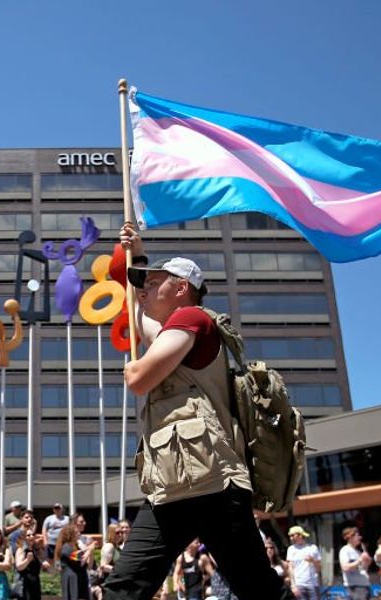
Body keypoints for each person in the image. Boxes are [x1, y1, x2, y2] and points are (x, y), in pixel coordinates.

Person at [102, 222, 286, 600]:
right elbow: (136, 312)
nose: (145, 289)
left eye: (155, 282)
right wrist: (138, 256)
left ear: (181, 287)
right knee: (124, 586)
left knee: (259, 589)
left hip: (213, 482)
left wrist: (133, 369)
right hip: (173, 484)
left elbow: (139, 378)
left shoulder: (193, 318)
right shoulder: (173, 331)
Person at [56, 525, 93, 600]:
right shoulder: (66, 548)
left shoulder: (76, 547)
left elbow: (87, 564)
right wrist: (89, 550)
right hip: (72, 579)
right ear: (70, 535)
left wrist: (90, 551)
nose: (79, 533)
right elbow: (81, 560)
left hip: (80, 578)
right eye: (76, 532)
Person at [15, 515, 47, 600]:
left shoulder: (35, 550)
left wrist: (43, 563)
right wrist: (27, 560)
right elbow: (19, 567)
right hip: (25, 583)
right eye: (28, 535)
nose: (31, 537)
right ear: (24, 538)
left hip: (35, 583)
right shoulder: (21, 550)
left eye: (33, 535)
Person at [96, 522, 130, 600]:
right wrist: (121, 571)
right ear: (111, 533)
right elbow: (103, 567)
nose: (120, 535)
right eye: (117, 533)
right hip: (108, 585)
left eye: (121, 532)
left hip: (115, 585)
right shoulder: (109, 546)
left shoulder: (116, 547)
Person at [286, 526, 322, 600]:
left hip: (313, 584)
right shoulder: (291, 549)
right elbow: (290, 568)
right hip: (298, 585)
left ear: (300, 535)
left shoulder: (312, 548)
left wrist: (312, 561)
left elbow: (319, 568)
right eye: (290, 536)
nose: (291, 538)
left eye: (292, 535)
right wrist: (293, 585)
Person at [339, 527, 372, 600]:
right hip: (354, 587)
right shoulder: (345, 550)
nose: (360, 537)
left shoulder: (358, 552)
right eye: (357, 535)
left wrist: (368, 561)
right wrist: (360, 560)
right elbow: (345, 567)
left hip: (365, 585)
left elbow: (363, 569)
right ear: (350, 537)